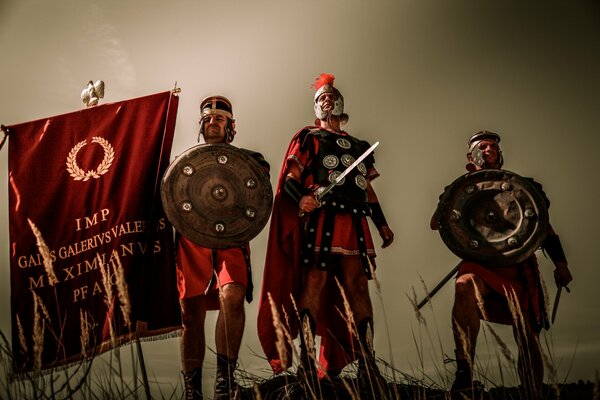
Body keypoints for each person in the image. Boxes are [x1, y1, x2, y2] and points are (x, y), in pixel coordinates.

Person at [257, 73, 394, 393]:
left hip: (355, 222)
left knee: (358, 286)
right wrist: (301, 198)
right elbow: (291, 176)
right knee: (315, 282)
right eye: (320, 98)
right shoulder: (308, 138)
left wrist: (382, 223)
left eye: (331, 96)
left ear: (342, 104)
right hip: (321, 221)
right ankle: (306, 360)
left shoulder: (359, 146)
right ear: (314, 106)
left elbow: (367, 191)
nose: (326, 100)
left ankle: (367, 362)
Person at [431, 130, 573, 399]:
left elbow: (544, 229)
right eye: (482, 146)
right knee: (464, 285)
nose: (488, 149)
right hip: (480, 263)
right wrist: (464, 189)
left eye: (492, 145)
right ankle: (464, 376)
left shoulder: (522, 186)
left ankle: (533, 392)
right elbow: (437, 222)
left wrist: (561, 264)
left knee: (527, 334)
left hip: (518, 265)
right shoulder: (459, 188)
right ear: (471, 155)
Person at [178, 96, 269, 400]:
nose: (212, 122)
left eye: (219, 118)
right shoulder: (184, 163)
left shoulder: (252, 160)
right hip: (192, 240)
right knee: (190, 314)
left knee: (232, 297)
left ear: (231, 125)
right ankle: (192, 390)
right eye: (206, 118)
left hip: (231, 239)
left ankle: (224, 383)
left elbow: (258, 196)